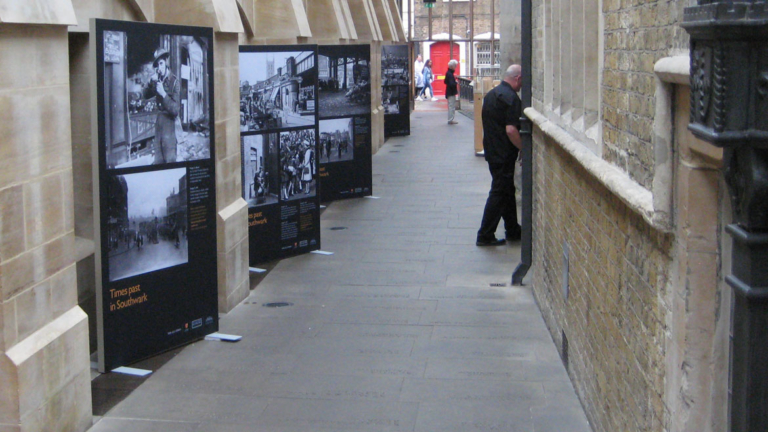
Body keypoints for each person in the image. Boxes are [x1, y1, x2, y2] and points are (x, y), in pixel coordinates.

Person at [476, 64, 524, 246]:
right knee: (499, 191)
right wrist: (523, 148)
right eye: (522, 81)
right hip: (504, 153)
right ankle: (485, 234)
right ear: (518, 78)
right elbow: (511, 130)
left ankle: (512, 229)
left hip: (493, 151)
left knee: (506, 190)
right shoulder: (511, 99)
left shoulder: (491, 95)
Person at [151, 48, 180, 164]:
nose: (159, 68)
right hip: (159, 124)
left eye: (161, 63)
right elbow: (145, 95)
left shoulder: (174, 82)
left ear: (166, 62)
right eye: (157, 65)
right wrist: (150, 82)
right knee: (158, 160)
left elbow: (175, 110)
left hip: (169, 124)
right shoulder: (157, 80)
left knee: (169, 160)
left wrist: (163, 93)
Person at [445, 59, 459, 124]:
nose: (456, 67)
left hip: (449, 92)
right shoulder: (450, 74)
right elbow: (451, 84)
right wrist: (455, 82)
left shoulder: (448, 73)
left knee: (451, 106)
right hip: (451, 92)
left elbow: (445, 81)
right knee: (451, 106)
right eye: (455, 66)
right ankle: (450, 120)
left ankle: (450, 119)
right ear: (452, 66)